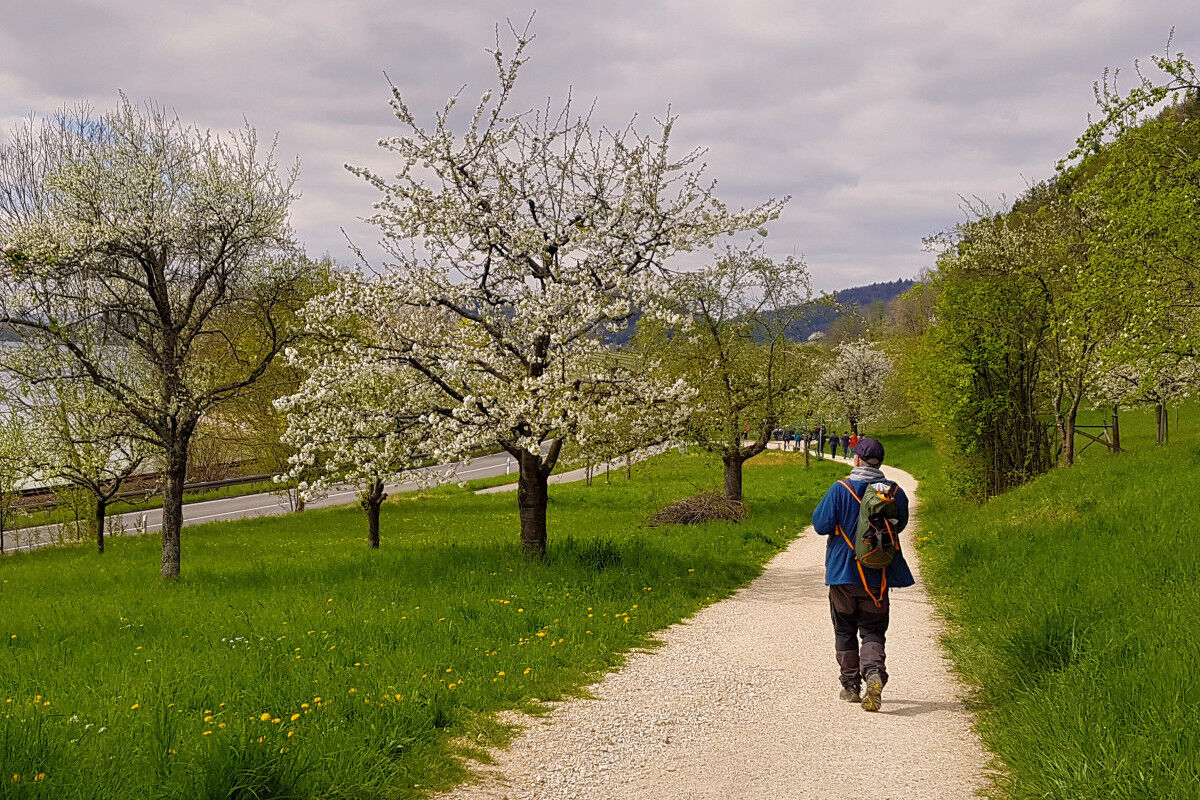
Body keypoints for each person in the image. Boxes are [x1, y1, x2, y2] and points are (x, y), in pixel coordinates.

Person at [811, 437, 914, 711]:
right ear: (880, 462)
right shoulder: (894, 492)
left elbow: (820, 525)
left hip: (842, 574)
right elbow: (900, 525)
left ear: (856, 459)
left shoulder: (840, 489)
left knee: (844, 628)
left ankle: (850, 687)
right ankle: (874, 673)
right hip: (877, 576)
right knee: (873, 630)